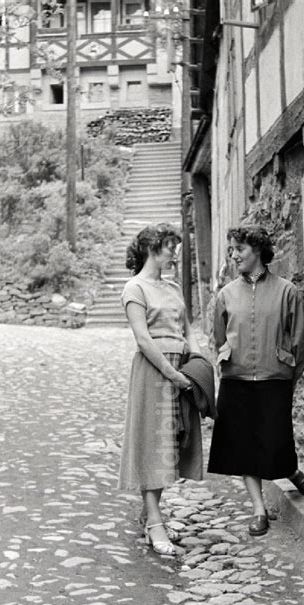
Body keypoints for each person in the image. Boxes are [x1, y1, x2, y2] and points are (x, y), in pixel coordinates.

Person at [208, 224, 304, 536]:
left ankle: (291, 471)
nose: (234, 255)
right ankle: (259, 510)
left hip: (274, 377)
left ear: (257, 250)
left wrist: (287, 378)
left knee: (276, 440)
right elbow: (219, 339)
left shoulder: (287, 292)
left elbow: (303, 342)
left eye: (239, 249)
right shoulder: (226, 295)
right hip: (236, 379)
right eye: (232, 249)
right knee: (242, 445)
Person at [119, 223, 203, 557]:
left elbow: (187, 330)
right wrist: (170, 373)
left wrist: (197, 362)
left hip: (180, 368)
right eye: (170, 246)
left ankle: (150, 511)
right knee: (152, 443)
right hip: (154, 372)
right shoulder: (134, 288)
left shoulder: (173, 289)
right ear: (153, 248)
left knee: (172, 442)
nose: (174, 252)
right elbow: (142, 338)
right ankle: (155, 521)